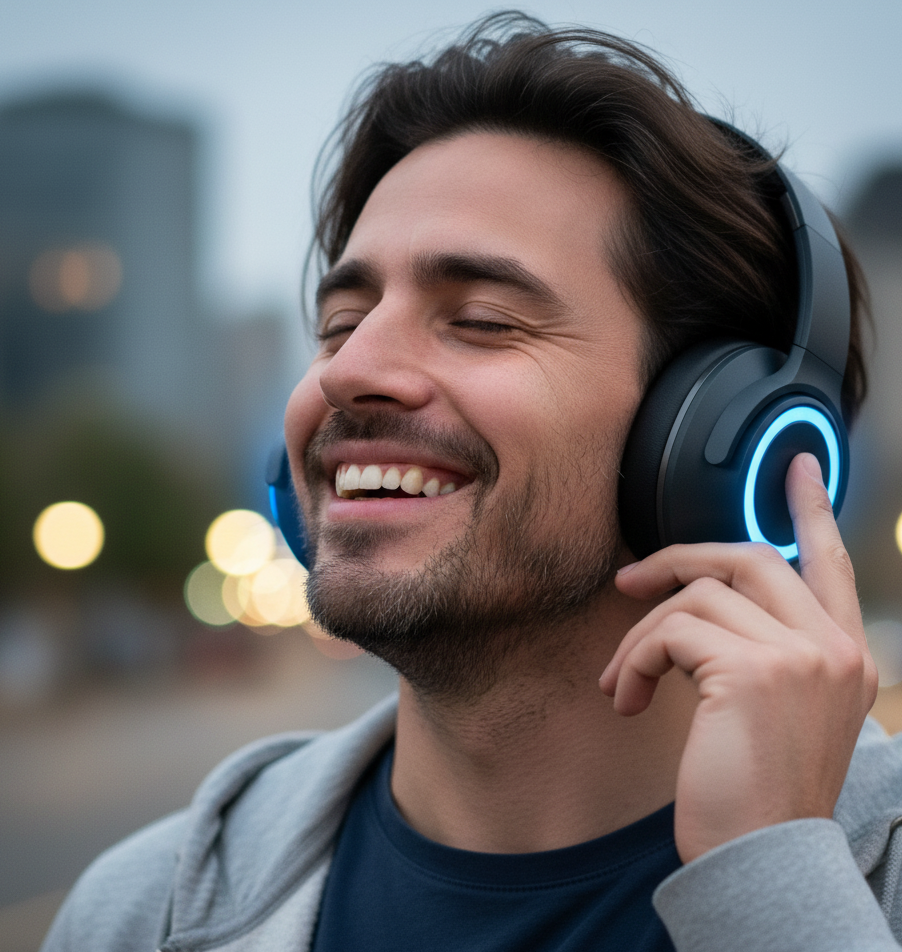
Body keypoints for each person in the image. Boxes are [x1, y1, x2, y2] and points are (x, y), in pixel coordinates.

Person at [42, 13, 902, 952]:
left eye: (483, 320)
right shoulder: (136, 912)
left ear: (725, 438)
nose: (346, 372)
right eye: (339, 325)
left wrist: (776, 889)